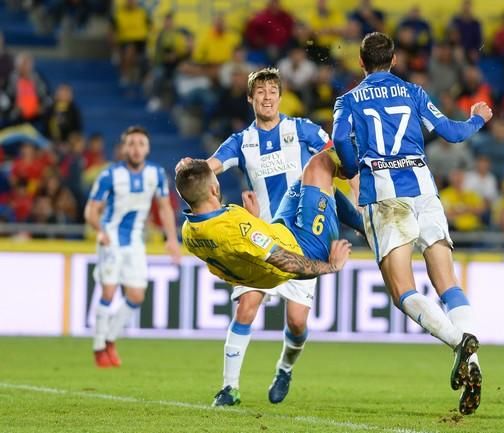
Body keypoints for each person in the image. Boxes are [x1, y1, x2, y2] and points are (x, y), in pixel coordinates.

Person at [181, 67, 363, 407]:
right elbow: (210, 168)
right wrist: (190, 166)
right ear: (250, 99)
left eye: (272, 91)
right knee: (246, 308)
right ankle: (229, 388)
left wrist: (357, 194)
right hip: (256, 238)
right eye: (260, 92)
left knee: (296, 322)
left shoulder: (302, 130)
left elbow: (339, 159)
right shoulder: (241, 141)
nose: (267, 97)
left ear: (281, 96)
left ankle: (285, 367)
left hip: (296, 238)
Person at [332, 32, 492, 415]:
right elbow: (452, 133)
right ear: (394, 60)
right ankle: (473, 362)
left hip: (386, 197)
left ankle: (458, 343)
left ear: (360, 62)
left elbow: (340, 139)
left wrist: (353, 167)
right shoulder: (414, 92)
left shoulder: (349, 100)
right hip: (424, 191)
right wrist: (477, 119)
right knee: (447, 283)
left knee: (402, 290)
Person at [175, 155, 352, 404]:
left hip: (272, 237)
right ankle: (367, 224)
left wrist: (254, 221)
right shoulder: (235, 228)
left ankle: (281, 370)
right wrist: (331, 266)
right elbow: (288, 263)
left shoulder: (188, 233)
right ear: (214, 188)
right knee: (320, 164)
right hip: (304, 249)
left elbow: (245, 244)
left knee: (296, 323)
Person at [84, 126, 181, 368]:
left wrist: (171, 239)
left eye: (141, 144)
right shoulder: (110, 175)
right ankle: (98, 347)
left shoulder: (156, 174)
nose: (136, 148)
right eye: (132, 144)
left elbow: (165, 207)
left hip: (136, 240)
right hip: (111, 238)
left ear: (147, 148)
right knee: (108, 292)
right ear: (123, 148)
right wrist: (100, 231)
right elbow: (91, 210)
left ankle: (109, 338)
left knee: (136, 296)